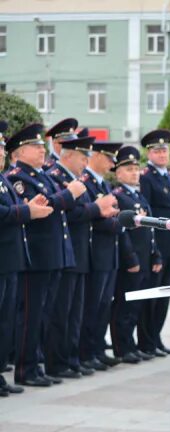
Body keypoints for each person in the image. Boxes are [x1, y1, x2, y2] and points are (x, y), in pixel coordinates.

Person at [7, 123, 87, 387]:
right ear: (17, 153)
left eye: (42, 146)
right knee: (29, 316)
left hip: (53, 254)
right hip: (37, 255)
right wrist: (70, 194)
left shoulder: (42, 175)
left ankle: (36, 365)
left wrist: (64, 195)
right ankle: (25, 369)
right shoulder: (19, 177)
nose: (41, 150)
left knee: (44, 313)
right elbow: (40, 208)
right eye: (34, 146)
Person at [44, 134, 118, 378]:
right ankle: (58, 362)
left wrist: (98, 209)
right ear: (68, 155)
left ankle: (72, 359)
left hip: (80, 253)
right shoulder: (56, 177)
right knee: (62, 313)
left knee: (76, 313)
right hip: (68, 252)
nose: (85, 161)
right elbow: (69, 213)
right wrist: (98, 208)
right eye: (82, 156)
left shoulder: (76, 179)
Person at [0, 121, 54, 395]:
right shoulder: (13, 177)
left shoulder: (3, 180)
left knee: (7, 319)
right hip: (10, 258)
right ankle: (22, 368)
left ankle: (6, 372)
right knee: (13, 317)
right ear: (17, 154)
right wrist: (27, 211)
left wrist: (26, 209)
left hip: (11, 259)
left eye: (0, 145)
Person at [110, 146, 162, 364]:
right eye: (129, 169)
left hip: (145, 257)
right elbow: (122, 232)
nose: (134, 173)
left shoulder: (139, 195)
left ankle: (131, 344)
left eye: (136, 169)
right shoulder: (119, 197)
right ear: (118, 173)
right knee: (124, 306)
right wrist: (130, 257)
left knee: (136, 307)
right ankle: (122, 347)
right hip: (130, 260)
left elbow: (150, 229)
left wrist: (156, 254)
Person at [78, 142, 124, 370]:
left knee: (104, 304)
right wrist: (113, 222)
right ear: (95, 156)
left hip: (108, 252)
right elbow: (94, 217)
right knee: (92, 305)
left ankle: (96, 348)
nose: (112, 163)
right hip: (95, 252)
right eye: (108, 158)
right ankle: (86, 353)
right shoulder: (85, 182)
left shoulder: (102, 183)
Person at [138, 130, 170, 357]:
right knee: (152, 295)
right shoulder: (146, 177)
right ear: (149, 153)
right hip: (158, 246)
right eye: (157, 151)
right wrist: (154, 250)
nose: (162, 154)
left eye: (165, 150)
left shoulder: (166, 176)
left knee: (163, 296)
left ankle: (156, 339)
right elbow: (148, 213)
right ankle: (146, 341)